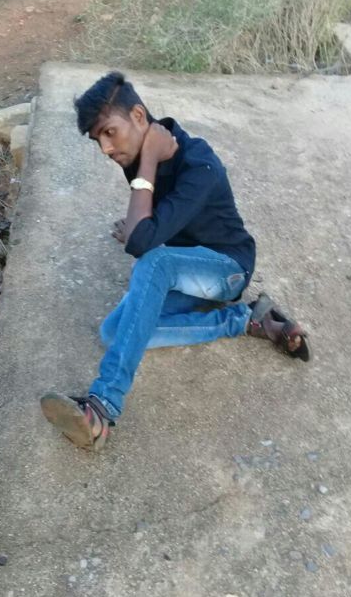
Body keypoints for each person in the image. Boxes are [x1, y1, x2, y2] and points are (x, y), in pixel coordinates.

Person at [41, 71, 310, 451]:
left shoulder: (200, 164)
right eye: (97, 139)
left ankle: (102, 407)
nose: (105, 148)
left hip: (227, 269)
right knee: (113, 333)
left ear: (138, 116)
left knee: (154, 263)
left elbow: (141, 242)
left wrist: (147, 173)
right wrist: (141, 219)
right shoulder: (134, 156)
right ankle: (247, 320)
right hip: (186, 270)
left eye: (109, 133)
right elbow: (145, 229)